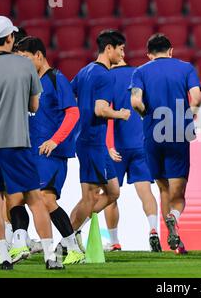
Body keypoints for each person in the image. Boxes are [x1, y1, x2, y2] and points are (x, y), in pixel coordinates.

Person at [0, 16, 62, 270]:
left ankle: (4, 256)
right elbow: (33, 106)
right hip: (16, 142)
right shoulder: (23, 65)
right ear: (10, 38)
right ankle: (50, 256)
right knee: (34, 198)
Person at [14, 36, 85, 264]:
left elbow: (73, 113)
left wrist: (55, 140)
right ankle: (20, 244)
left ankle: (73, 249)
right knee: (15, 198)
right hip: (30, 152)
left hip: (51, 154)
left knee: (46, 199)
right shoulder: (28, 82)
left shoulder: (56, 79)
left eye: (25, 58)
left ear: (39, 55)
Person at [130, 33, 201, 254]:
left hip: (153, 134)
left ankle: (175, 240)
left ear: (149, 55)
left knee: (163, 188)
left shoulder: (140, 71)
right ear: (171, 50)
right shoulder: (186, 68)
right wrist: (192, 115)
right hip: (179, 132)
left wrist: (145, 115)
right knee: (178, 194)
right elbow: (196, 98)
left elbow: (135, 101)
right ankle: (174, 218)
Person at [69, 30, 130, 250]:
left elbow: (68, 92)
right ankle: (67, 239)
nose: (123, 55)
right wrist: (121, 114)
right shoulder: (104, 75)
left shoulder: (86, 71)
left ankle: (72, 228)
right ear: (109, 49)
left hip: (93, 142)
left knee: (113, 191)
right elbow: (100, 109)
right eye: (121, 49)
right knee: (90, 197)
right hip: (92, 142)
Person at [104, 58, 162, 252]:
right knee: (146, 191)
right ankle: (154, 229)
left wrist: (108, 145)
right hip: (141, 144)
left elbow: (105, 112)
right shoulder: (140, 74)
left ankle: (114, 242)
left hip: (117, 147)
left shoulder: (106, 76)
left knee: (110, 196)